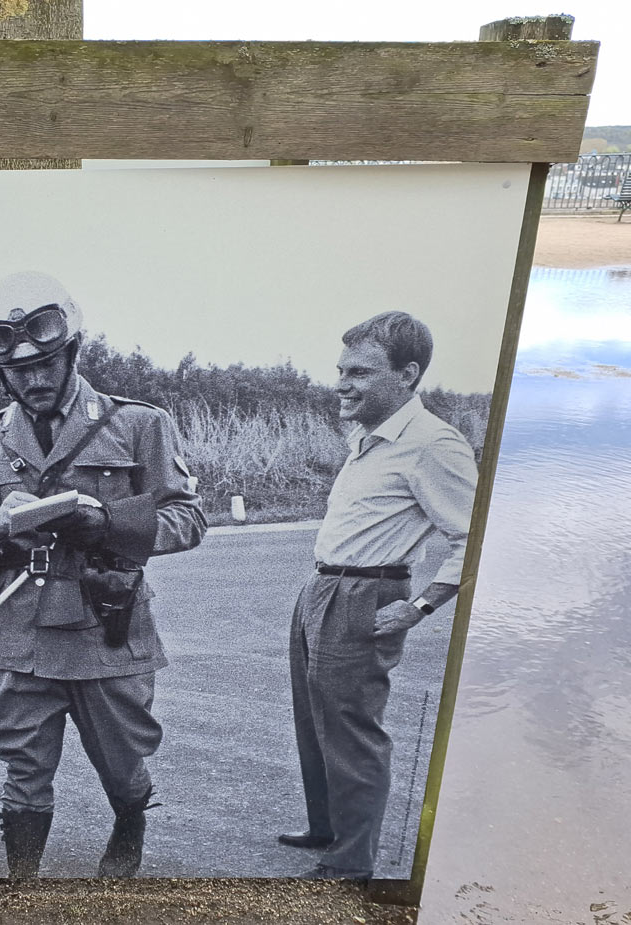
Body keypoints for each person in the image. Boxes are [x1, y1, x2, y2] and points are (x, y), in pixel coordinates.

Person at [0, 271, 206, 879]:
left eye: (46, 363)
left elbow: (188, 518)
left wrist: (109, 523)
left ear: (73, 352)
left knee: (123, 764)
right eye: (18, 370)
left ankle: (129, 826)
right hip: (16, 630)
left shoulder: (137, 424)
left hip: (106, 624)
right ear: (2, 372)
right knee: (23, 769)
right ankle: (22, 886)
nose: (33, 379)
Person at [281, 311, 478, 881]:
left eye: (360, 372)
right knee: (314, 718)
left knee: (352, 728)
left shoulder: (433, 443)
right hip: (322, 587)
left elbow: (476, 536)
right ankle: (327, 828)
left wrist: (419, 608)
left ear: (408, 374)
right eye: (341, 370)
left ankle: (350, 863)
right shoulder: (366, 435)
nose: (342, 383)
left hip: (366, 595)